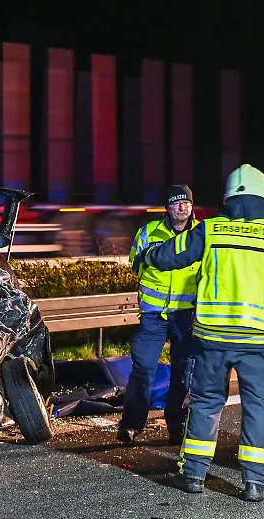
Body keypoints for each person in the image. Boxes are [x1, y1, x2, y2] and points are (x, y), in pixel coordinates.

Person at [135, 164, 264, 502]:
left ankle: (194, 475)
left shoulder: (211, 230)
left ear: (229, 198)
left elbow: (171, 255)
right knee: (258, 407)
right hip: (260, 342)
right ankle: (255, 482)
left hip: (212, 338)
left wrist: (149, 254)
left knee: (205, 403)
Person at [118, 184, 200, 445]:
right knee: (143, 369)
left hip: (185, 315)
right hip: (153, 315)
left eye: (185, 202)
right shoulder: (150, 231)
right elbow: (135, 262)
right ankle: (131, 425)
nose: (181, 207)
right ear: (167, 207)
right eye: (176, 203)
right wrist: (152, 261)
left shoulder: (201, 233)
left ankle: (176, 424)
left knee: (182, 371)